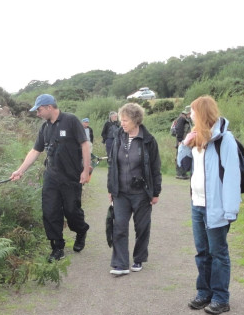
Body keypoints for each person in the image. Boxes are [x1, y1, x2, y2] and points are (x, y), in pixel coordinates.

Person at [177, 95, 241, 315]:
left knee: (218, 252)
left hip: (217, 206)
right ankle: (204, 294)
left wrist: (231, 209)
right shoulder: (196, 137)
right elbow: (183, 166)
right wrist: (184, 145)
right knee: (202, 252)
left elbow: (232, 176)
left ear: (201, 113)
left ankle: (221, 298)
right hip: (198, 204)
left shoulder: (225, 139)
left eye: (193, 110)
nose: (190, 114)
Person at [10, 94, 91, 263]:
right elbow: (35, 151)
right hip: (51, 177)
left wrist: (85, 170)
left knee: (72, 211)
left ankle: (81, 230)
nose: (37, 113)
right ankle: (57, 247)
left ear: (48, 107)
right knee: (50, 212)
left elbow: (85, 144)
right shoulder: (44, 128)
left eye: (39, 110)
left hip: (71, 177)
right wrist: (20, 171)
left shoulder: (70, 120)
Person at [107, 103, 162, 275]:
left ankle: (138, 259)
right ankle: (120, 264)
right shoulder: (118, 137)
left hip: (141, 193)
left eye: (125, 120)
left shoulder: (148, 140)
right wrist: (111, 188)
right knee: (120, 226)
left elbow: (155, 168)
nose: (122, 123)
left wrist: (155, 192)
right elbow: (112, 165)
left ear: (136, 120)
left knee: (142, 227)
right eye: (121, 120)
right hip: (121, 192)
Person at [175, 105, 192, 179]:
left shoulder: (185, 119)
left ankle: (182, 173)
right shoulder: (182, 119)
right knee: (180, 157)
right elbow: (179, 130)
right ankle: (180, 173)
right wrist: (179, 140)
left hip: (184, 141)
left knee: (183, 156)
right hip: (181, 141)